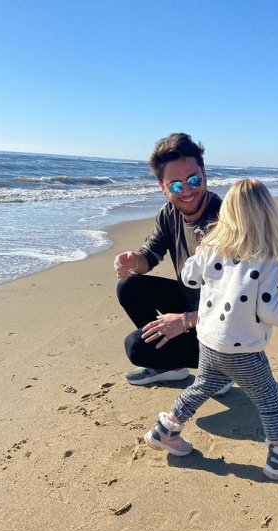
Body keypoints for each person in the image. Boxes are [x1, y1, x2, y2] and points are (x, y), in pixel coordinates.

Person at [144, 179, 278, 480]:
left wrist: (203, 248)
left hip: (208, 341)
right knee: (268, 399)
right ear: (267, 215)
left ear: (227, 215)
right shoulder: (267, 262)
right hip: (243, 349)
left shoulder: (211, 249)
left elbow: (189, 277)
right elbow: (268, 311)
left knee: (202, 386)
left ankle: (165, 430)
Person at [114, 133, 232, 394]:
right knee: (129, 287)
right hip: (193, 307)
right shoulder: (169, 214)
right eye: (176, 186)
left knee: (136, 346)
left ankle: (220, 371)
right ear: (162, 187)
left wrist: (185, 321)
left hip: (226, 328)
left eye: (193, 180)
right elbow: (149, 256)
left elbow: (238, 305)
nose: (187, 191)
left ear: (204, 173)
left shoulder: (227, 222)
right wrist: (132, 260)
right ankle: (172, 367)